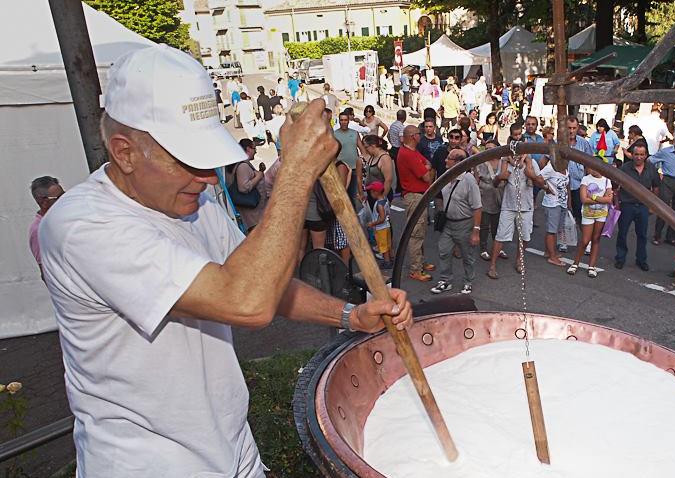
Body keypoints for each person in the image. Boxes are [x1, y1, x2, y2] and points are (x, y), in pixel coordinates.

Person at [37, 45, 412, 478]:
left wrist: (349, 315)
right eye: (188, 161)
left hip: (233, 453)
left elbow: (265, 281)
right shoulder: (82, 227)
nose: (205, 177)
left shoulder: (195, 205)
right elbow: (247, 301)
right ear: (124, 152)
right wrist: (294, 171)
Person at [487, 125, 546, 279]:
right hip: (508, 205)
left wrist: (532, 176)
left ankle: (519, 260)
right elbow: (495, 183)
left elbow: (541, 183)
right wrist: (500, 177)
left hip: (526, 206)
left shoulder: (530, 162)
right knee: (500, 236)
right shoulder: (505, 161)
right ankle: (492, 265)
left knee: (525, 236)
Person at [431, 149, 482, 295]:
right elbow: (440, 196)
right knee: (444, 251)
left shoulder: (469, 180)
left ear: (458, 162)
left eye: (449, 158)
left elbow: (477, 207)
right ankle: (445, 280)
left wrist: (476, 231)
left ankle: (468, 282)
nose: (445, 160)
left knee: (467, 256)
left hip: (464, 224)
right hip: (448, 223)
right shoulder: (446, 176)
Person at [397, 125, 436, 281]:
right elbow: (426, 175)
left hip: (418, 195)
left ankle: (420, 261)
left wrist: (426, 168)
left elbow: (428, 164)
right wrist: (427, 169)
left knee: (420, 232)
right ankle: (416, 269)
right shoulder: (409, 154)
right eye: (419, 133)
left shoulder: (411, 151)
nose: (421, 135)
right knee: (416, 234)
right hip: (414, 196)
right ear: (413, 136)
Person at [614, 143, 660, 271]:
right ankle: (620, 258)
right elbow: (616, 187)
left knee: (642, 235)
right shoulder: (625, 168)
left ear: (646, 155)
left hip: (643, 206)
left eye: (641, 155)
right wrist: (617, 204)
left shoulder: (651, 169)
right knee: (622, 233)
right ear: (632, 155)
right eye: (636, 154)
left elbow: (656, 187)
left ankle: (641, 260)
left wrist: (652, 206)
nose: (639, 157)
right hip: (627, 205)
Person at [567, 163, 613, 278]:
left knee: (596, 239)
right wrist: (602, 199)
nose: (593, 169)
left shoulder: (607, 180)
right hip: (588, 213)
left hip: (601, 214)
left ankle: (591, 266)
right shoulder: (586, 179)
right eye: (591, 167)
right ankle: (575, 263)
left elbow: (609, 200)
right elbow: (583, 199)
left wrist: (592, 197)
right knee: (585, 240)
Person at [226, 138, 267, 231]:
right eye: (254, 148)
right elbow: (244, 187)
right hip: (252, 215)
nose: (256, 151)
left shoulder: (241, 164)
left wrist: (259, 172)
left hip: (253, 213)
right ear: (248, 149)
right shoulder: (243, 166)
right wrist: (259, 176)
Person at [28, 176, 64, 280]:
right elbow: (45, 272)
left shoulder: (62, 219)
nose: (65, 199)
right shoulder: (38, 231)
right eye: (59, 197)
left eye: (64, 194)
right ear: (44, 202)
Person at [539, 150, 570, 266]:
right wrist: (546, 188)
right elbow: (538, 178)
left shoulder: (565, 167)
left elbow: (567, 185)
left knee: (554, 229)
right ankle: (552, 257)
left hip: (562, 202)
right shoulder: (550, 167)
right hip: (552, 203)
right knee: (551, 230)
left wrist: (569, 202)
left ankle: (549, 251)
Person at [477, 140, 504, 260]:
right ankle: (483, 248)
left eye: (491, 148)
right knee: (484, 225)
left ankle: (498, 247)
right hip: (485, 198)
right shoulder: (481, 163)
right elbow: (477, 180)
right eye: (486, 148)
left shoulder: (503, 162)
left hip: (499, 198)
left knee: (497, 225)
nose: (488, 151)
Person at [333, 111, 366, 205]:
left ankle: (353, 212)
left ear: (348, 121)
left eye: (345, 120)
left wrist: (364, 161)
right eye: (341, 120)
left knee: (352, 195)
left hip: (354, 168)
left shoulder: (355, 133)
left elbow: (362, 148)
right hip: (340, 169)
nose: (343, 122)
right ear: (339, 121)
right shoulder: (334, 134)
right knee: (341, 193)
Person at [365, 181, 393, 269]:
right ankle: (391, 258)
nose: (370, 194)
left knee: (383, 246)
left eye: (371, 192)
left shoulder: (379, 205)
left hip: (381, 228)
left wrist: (372, 223)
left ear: (376, 192)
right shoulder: (385, 200)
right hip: (387, 226)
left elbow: (382, 218)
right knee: (388, 244)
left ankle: (387, 262)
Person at [362, 134, 394, 200]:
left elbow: (388, 180)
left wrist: (382, 198)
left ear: (373, 146)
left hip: (380, 194)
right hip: (371, 193)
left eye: (366, 147)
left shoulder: (384, 158)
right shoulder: (373, 156)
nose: (365, 149)